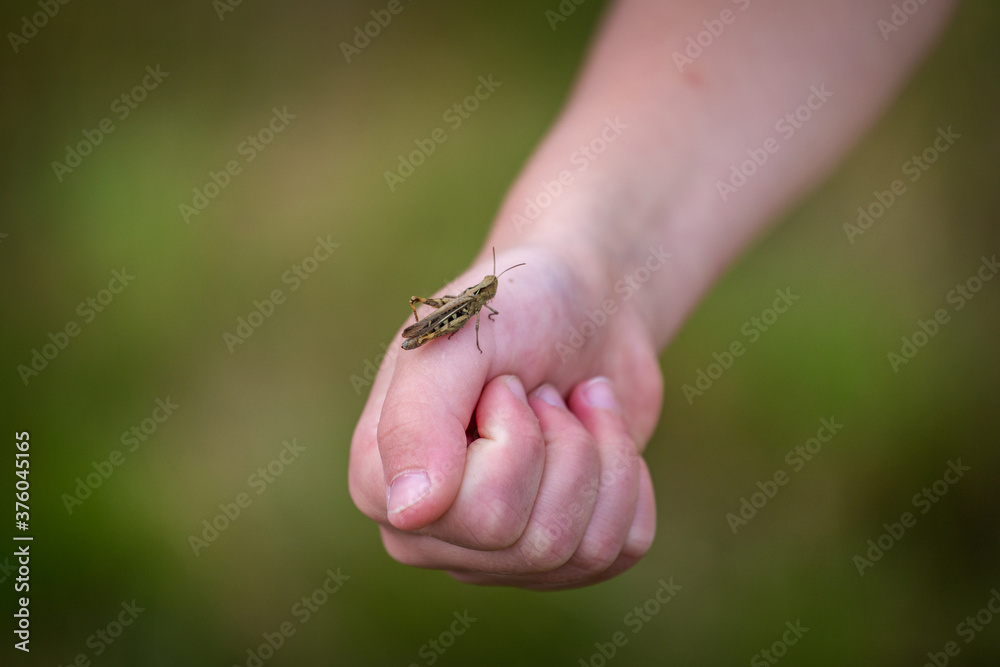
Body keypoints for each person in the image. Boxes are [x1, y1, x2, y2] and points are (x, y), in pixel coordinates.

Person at [349, 0, 959, 590]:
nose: (487, 294)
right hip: (440, 327)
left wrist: (597, 273)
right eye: (488, 289)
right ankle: (427, 328)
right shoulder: (475, 307)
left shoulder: (488, 300)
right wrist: (583, 258)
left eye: (488, 291)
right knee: (437, 321)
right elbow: (475, 319)